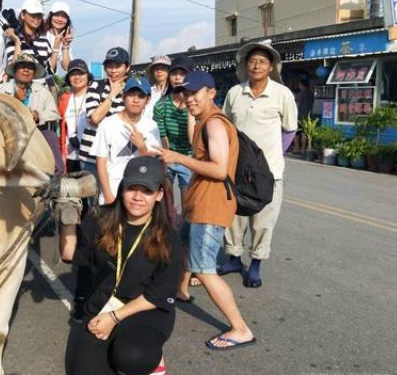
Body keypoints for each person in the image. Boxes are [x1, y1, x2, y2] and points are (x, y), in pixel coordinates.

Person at [155, 70, 256, 350]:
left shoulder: (213, 123)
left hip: (211, 207)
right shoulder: (203, 121)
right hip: (200, 204)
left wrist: (178, 158)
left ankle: (240, 328)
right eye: (185, 93)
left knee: (205, 269)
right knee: (182, 241)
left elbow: (219, 168)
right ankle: (181, 290)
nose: (188, 99)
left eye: (194, 93)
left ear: (211, 93)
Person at [65, 155, 182, 375]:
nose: (138, 197)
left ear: (159, 195)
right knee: (77, 370)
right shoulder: (99, 219)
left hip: (145, 310)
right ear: (122, 188)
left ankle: (153, 362)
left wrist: (114, 317)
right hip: (103, 304)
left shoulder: (168, 237)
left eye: (147, 191)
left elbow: (159, 294)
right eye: (132, 188)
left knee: (133, 357)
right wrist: (67, 213)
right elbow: (71, 253)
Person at [219, 41, 298, 288]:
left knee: (263, 220)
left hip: (269, 172)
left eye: (262, 61)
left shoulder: (282, 94)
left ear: (271, 66)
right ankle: (233, 258)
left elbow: (290, 129)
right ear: (245, 65)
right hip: (237, 169)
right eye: (252, 61)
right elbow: (226, 127)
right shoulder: (235, 93)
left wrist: (268, 159)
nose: (256, 65)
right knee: (233, 217)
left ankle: (255, 265)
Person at [152, 55, 198, 300]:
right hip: (168, 159)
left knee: (190, 212)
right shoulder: (161, 105)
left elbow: (194, 140)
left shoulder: (196, 104)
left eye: (183, 73)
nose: (178, 77)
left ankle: (187, 265)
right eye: (175, 73)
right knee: (168, 213)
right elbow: (164, 137)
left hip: (190, 161)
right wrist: (170, 157)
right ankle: (167, 258)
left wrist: (190, 111)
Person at [90, 77, 162, 205]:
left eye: (141, 96)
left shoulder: (152, 126)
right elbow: (101, 162)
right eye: (131, 95)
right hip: (113, 188)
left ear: (148, 99)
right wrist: (108, 195)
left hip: (139, 194)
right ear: (123, 97)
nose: (135, 100)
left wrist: (142, 147)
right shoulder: (108, 124)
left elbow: (155, 163)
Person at [78, 47, 130, 178]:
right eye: (109, 66)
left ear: (127, 67)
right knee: (93, 197)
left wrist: (103, 108)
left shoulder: (132, 89)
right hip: (91, 157)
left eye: (117, 66)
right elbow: (94, 118)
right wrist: (113, 94)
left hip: (119, 157)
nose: (113, 70)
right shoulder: (96, 85)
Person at [4, 0, 55, 86]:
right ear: (23, 15)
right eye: (33, 15)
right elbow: (13, 67)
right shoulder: (12, 38)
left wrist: (57, 46)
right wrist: (17, 41)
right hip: (20, 91)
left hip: (41, 91)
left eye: (39, 15)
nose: (37, 19)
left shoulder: (44, 40)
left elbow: (51, 69)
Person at [59, 59, 94, 174]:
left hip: (90, 157)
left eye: (81, 73)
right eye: (73, 74)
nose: (77, 77)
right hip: (70, 157)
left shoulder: (95, 96)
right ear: (68, 78)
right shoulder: (64, 99)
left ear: (88, 76)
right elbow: (61, 128)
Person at [43, 1, 74, 72]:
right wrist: (56, 48)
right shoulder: (40, 33)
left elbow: (67, 68)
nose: (60, 19)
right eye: (57, 15)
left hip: (47, 78)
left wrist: (65, 46)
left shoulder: (65, 39)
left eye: (64, 17)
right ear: (51, 16)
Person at [143, 55, 171, 120]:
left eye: (163, 68)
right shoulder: (147, 91)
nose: (159, 71)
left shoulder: (173, 92)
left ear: (168, 71)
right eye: (156, 68)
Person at [291, 78, 314, 154]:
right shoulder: (311, 93)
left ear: (301, 85)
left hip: (299, 116)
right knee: (305, 133)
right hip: (308, 117)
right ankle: (303, 149)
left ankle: (296, 148)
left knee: (296, 132)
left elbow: (296, 104)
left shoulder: (301, 93)